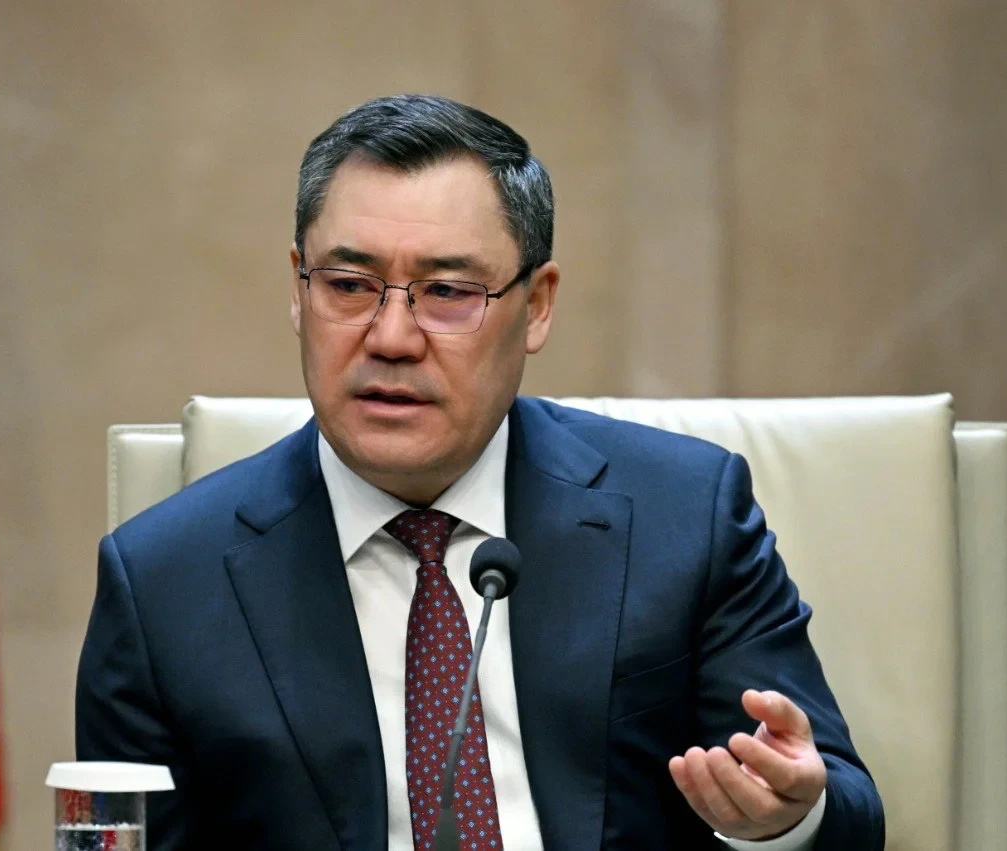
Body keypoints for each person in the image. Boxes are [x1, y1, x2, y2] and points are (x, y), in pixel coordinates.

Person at [76, 94, 884, 850]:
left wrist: (788, 815)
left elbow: (845, 805)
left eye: (449, 292)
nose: (392, 337)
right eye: (349, 286)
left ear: (537, 306)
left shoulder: (685, 515)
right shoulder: (162, 585)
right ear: (298, 289)